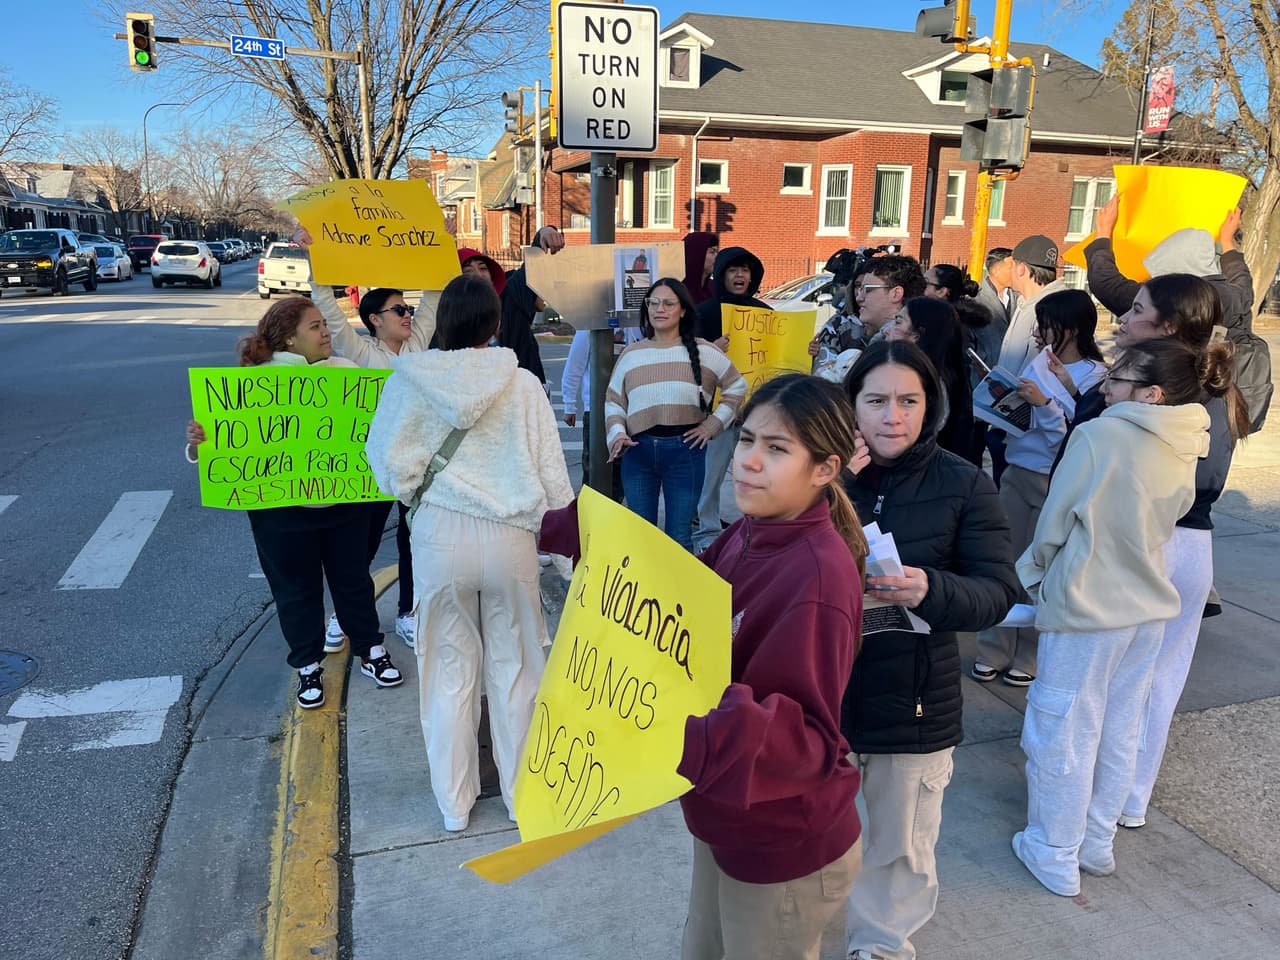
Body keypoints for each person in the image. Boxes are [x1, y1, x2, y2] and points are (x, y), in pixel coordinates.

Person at [364, 274, 573, 833]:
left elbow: (384, 464)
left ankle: (455, 805)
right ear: (494, 323)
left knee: (448, 673)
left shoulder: (408, 379)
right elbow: (554, 478)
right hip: (510, 538)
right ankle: (520, 795)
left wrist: (420, 492)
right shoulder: (522, 383)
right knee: (517, 672)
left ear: (442, 322)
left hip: (439, 536)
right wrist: (567, 556)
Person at [1012, 336, 1212, 897]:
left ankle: (1054, 849)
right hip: (1148, 602)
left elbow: (1055, 520)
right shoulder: (1186, 439)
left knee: (1062, 727)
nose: (1106, 385)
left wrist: (1033, 573)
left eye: (1118, 380)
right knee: (1119, 724)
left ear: (1149, 393)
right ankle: (1096, 840)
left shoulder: (1099, 435)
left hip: (1090, 601)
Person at [678, 374, 868, 960]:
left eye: (777, 448)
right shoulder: (748, 530)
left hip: (782, 844)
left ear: (825, 470)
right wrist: (601, 550)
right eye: (746, 439)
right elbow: (680, 598)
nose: (749, 462)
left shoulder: (816, 576)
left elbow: (811, 740)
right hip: (724, 814)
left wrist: (693, 722)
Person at [840, 341, 1020, 960]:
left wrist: (931, 587)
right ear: (852, 407)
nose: (893, 416)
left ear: (930, 406)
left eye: (908, 401)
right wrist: (833, 482)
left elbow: (997, 590)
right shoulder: (819, 474)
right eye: (877, 400)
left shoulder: (963, 481)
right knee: (819, 842)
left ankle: (880, 945)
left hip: (914, 702)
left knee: (900, 844)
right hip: (822, 694)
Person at [1080, 274, 1250, 830]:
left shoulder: (1154, 384)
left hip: (1145, 538)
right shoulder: (1218, 388)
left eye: (1136, 310)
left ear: (1170, 327)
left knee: (1106, 678)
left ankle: (1091, 797)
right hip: (1191, 547)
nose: (1123, 320)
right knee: (1157, 678)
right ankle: (1127, 799)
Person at [186, 297, 404, 710]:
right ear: (289, 338)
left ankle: (370, 650)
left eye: (325, 324)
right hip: (280, 511)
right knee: (295, 590)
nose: (326, 333)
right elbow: (228, 446)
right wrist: (200, 443)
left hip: (344, 505)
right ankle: (307, 666)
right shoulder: (255, 383)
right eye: (315, 327)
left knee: (353, 581)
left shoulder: (346, 373)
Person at [300, 229, 429, 651]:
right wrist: (313, 257)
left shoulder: (418, 347)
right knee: (361, 547)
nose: (408, 315)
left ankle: (408, 612)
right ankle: (345, 615)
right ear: (375, 319)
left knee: (412, 541)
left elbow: (437, 296)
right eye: (398, 310)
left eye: (408, 308)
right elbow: (328, 311)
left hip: (416, 462)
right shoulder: (362, 355)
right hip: (371, 466)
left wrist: (438, 247)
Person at [974, 289, 1107, 687]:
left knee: (1041, 569)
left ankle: (1030, 654)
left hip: (1055, 480)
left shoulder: (1096, 376)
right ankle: (992, 648)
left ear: (1072, 328)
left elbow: (1070, 434)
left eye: (1048, 325)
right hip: (1016, 469)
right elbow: (1026, 422)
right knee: (1004, 561)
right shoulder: (1037, 364)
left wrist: (1046, 403)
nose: (1041, 333)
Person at [1086, 199, 1272, 432]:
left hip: (1176, 413)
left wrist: (1103, 233)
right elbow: (1242, 278)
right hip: (1223, 411)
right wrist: (1227, 242)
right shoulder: (1235, 296)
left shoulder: (1178, 300)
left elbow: (1107, 284)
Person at [606, 278, 746, 551]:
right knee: (640, 538)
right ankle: (644, 592)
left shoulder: (705, 351)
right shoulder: (631, 354)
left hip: (686, 453)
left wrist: (713, 426)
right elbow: (613, 400)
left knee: (679, 540)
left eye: (669, 303)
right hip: (638, 452)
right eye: (653, 302)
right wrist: (618, 434)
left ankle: (678, 594)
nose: (659, 308)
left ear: (682, 310)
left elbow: (737, 386)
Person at [692, 246, 768, 550]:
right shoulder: (704, 313)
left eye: (746, 270)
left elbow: (779, 361)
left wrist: (807, 353)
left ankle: (758, 528)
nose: (741, 276)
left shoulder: (764, 312)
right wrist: (711, 348)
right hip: (716, 413)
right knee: (711, 476)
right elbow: (687, 361)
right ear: (721, 274)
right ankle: (707, 532)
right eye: (734, 270)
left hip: (756, 412)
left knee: (758, 471)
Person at [883, 296, 979, 463]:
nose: (887, 331)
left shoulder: (926, 383)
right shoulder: (936, 375)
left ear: (917, 335)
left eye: (898, 322)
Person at [560, 329, 624, 499]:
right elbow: (574, 367)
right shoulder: (587, 329)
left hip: (627, 410)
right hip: (596, 409)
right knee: (593, 469)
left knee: (620, 473)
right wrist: (569, 405)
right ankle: (589, 516)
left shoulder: (633, 324)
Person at [852, 255, 926, 345]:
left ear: (896, 294)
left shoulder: (895, 350)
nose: (859, 298)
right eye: (860, 289)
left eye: (867, 289)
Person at [682, 231, 719, 305]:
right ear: (697, 255)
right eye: (712, 252)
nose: (717, 256)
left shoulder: (715, 289)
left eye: (717, 251)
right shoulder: (679, 291)